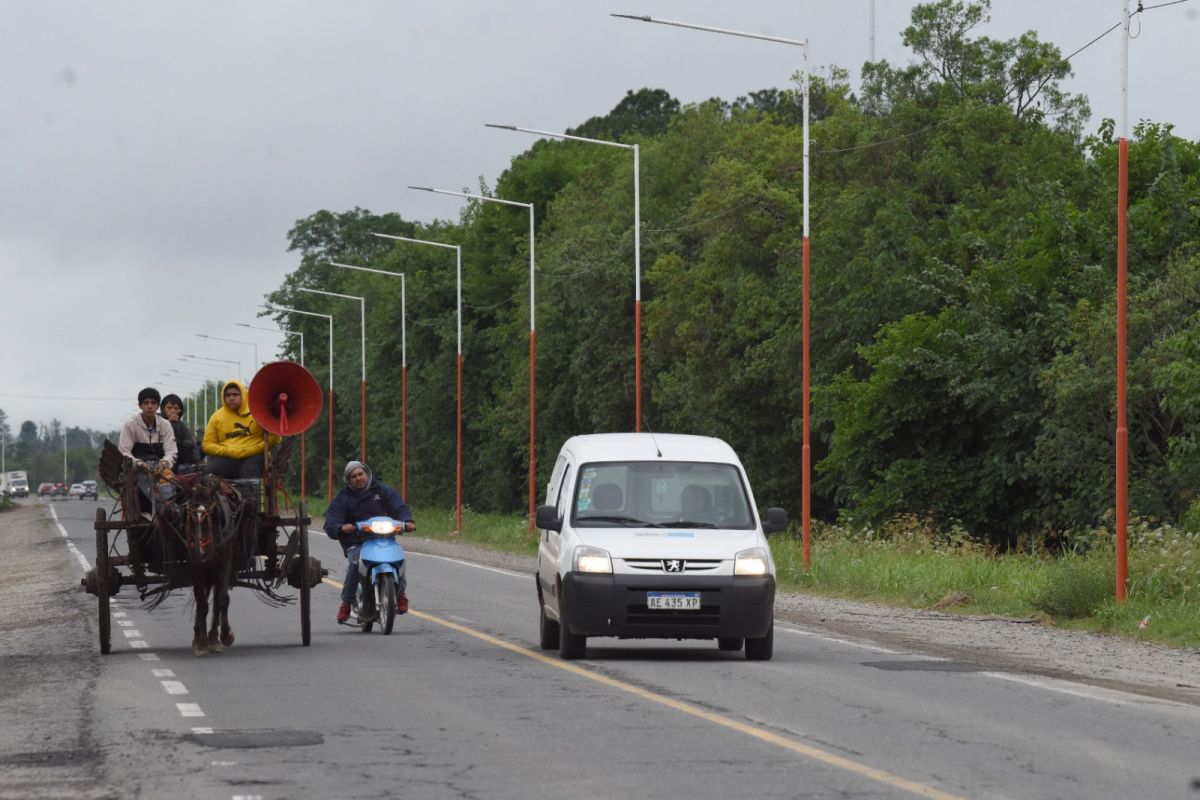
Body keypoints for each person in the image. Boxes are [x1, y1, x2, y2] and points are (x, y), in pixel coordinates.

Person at [323, 460, 414, 624]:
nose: (358, 478)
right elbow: (331, 522)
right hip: (356, 541)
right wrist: (341, 527)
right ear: (348, 480)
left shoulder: (381, 490)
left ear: (367, 473)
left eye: (360, 474)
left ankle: (400, 594)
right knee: (356, 563)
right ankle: (346, 603)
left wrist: (407, 521)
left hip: (383, 537)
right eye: (353, 476)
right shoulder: (342, 498)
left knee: (397, 559)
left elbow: (399, 506)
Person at [201, 379, 280, 479]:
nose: (231, 398)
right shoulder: (216, 417)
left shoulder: (257, 412)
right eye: (228, 395)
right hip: (227, 458)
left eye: (235, 394)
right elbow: (207, 445)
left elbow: (275, 438)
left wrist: (251, 450)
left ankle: (253, 494)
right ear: (223, 397)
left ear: (243, 394)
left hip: (254, 456)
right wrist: (228, 451)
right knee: (211, 470)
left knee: (251, 473)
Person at [117, 387, 178, 472]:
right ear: (140, 405)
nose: (150, 406)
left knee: (169, 484)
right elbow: (124, 452)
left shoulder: (166, 425)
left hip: (161, 469)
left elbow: (171, 451)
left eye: (153, 403)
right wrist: (138, 463)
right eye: (146, 403)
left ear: (158, 406)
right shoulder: (130, 425)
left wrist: (164, 463)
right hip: (136, 470)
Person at [160, 394, 202, 473]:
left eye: (176, 408)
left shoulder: (181, 425)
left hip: (181, 460)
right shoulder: (158, 421)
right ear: (163, 409)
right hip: (162, 457)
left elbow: (191, 443)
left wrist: (197, 461)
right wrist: (169, 422)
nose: (172, 411)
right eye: (169, 408)